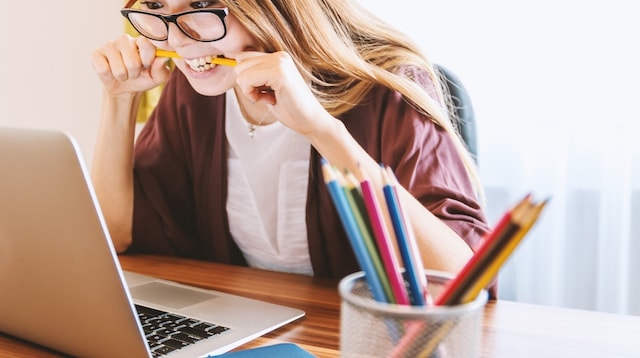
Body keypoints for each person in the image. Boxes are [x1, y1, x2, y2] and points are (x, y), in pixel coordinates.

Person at [91, 0, 490, 285]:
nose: (179, 40)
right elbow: (116, 232)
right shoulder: (193, 91)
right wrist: (120, 98)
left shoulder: (388, 88)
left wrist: (322, 130)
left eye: (202, 3)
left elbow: (460, 279)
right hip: (251, 331)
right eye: (158, 8)